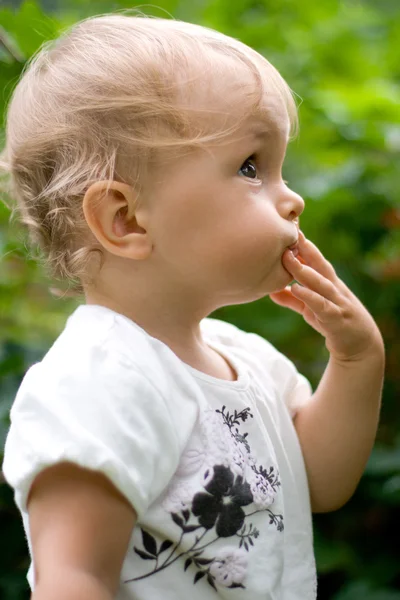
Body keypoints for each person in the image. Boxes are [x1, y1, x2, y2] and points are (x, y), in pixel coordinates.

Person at [0, 11, 385, 600]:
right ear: (125, 219)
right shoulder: (100, 381)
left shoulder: (245, 359)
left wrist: (357, 361)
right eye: (252, 168)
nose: (294, 198)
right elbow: (73, 577)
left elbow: (321, 483)